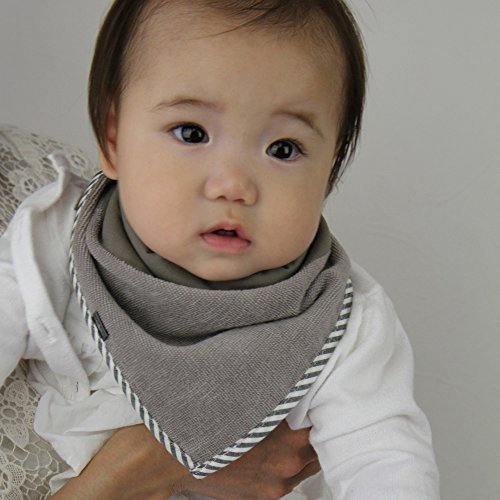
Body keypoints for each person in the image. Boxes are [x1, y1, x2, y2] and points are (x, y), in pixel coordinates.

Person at [0, 0, 440, 498]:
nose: (234, 185)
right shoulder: (55, 243)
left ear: (330, 168)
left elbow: (385, 463)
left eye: (283, 149)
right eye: (192, 133)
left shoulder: (338, 317)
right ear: (113, 138)